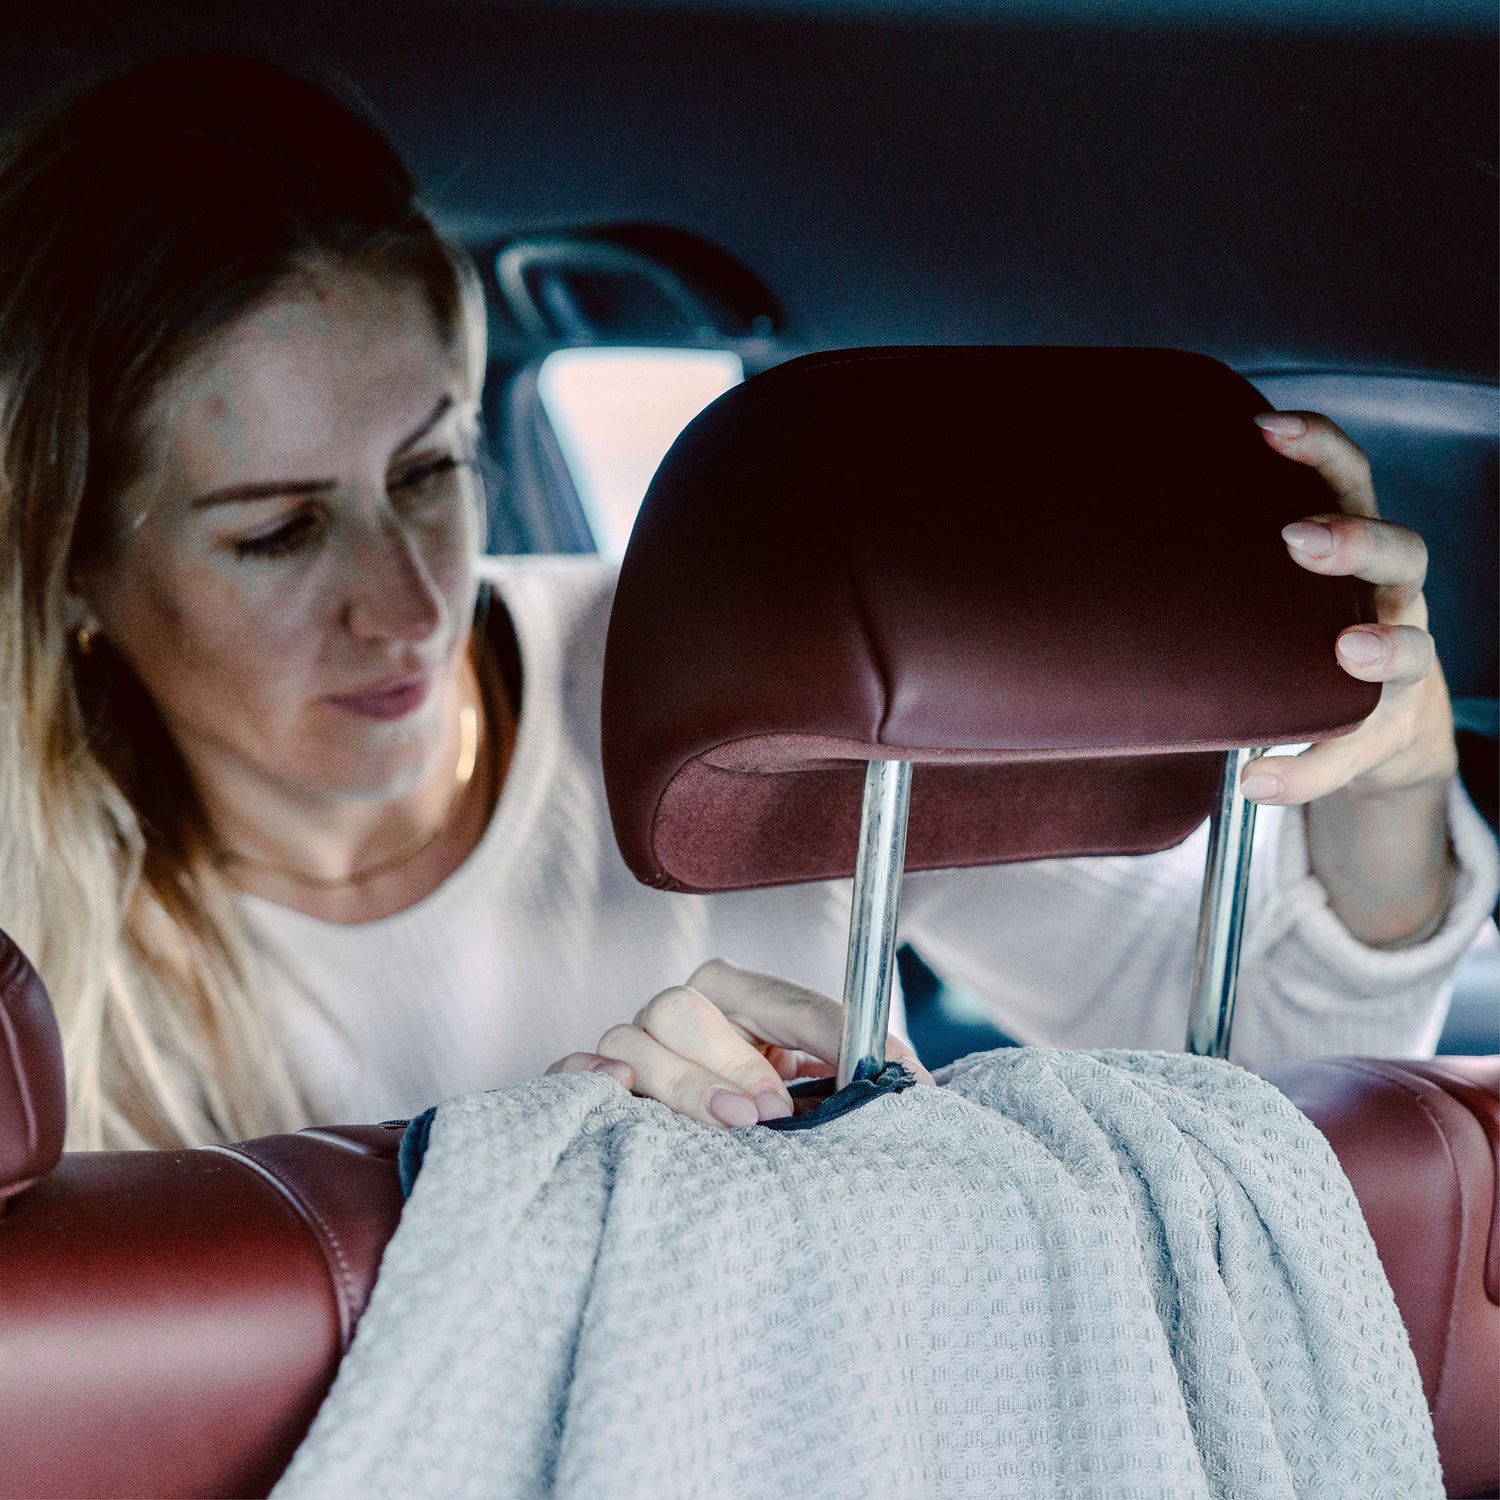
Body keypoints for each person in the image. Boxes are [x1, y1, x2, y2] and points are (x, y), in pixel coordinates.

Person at [0, 56, 1492, 1151]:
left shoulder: (741, 692)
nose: (404, 606)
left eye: (432, 470)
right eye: (277, 533)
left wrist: (1390, 802)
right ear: (72, 570)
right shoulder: (32, 923)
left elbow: (1269, 1103)